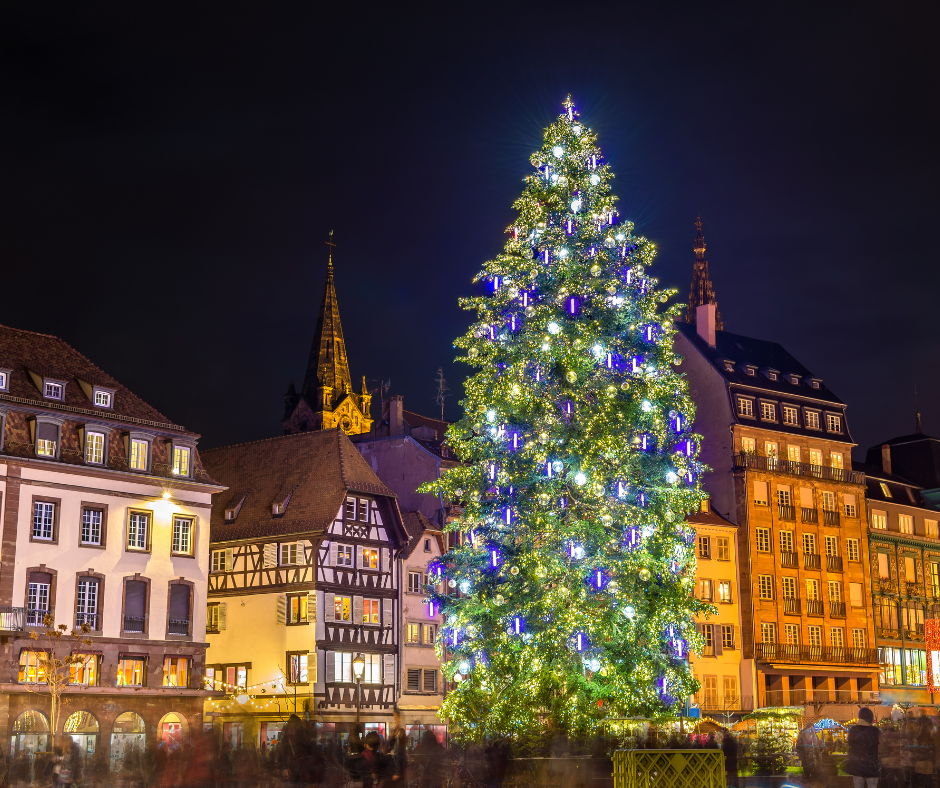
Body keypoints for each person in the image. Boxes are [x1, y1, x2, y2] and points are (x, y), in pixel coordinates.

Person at [846, 707, 880, 788]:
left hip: (857, 765)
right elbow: (880, 745)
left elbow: (850, 743)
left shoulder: (853, 730)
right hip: (872, 765)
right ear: (871, 718)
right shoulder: (875, 731)